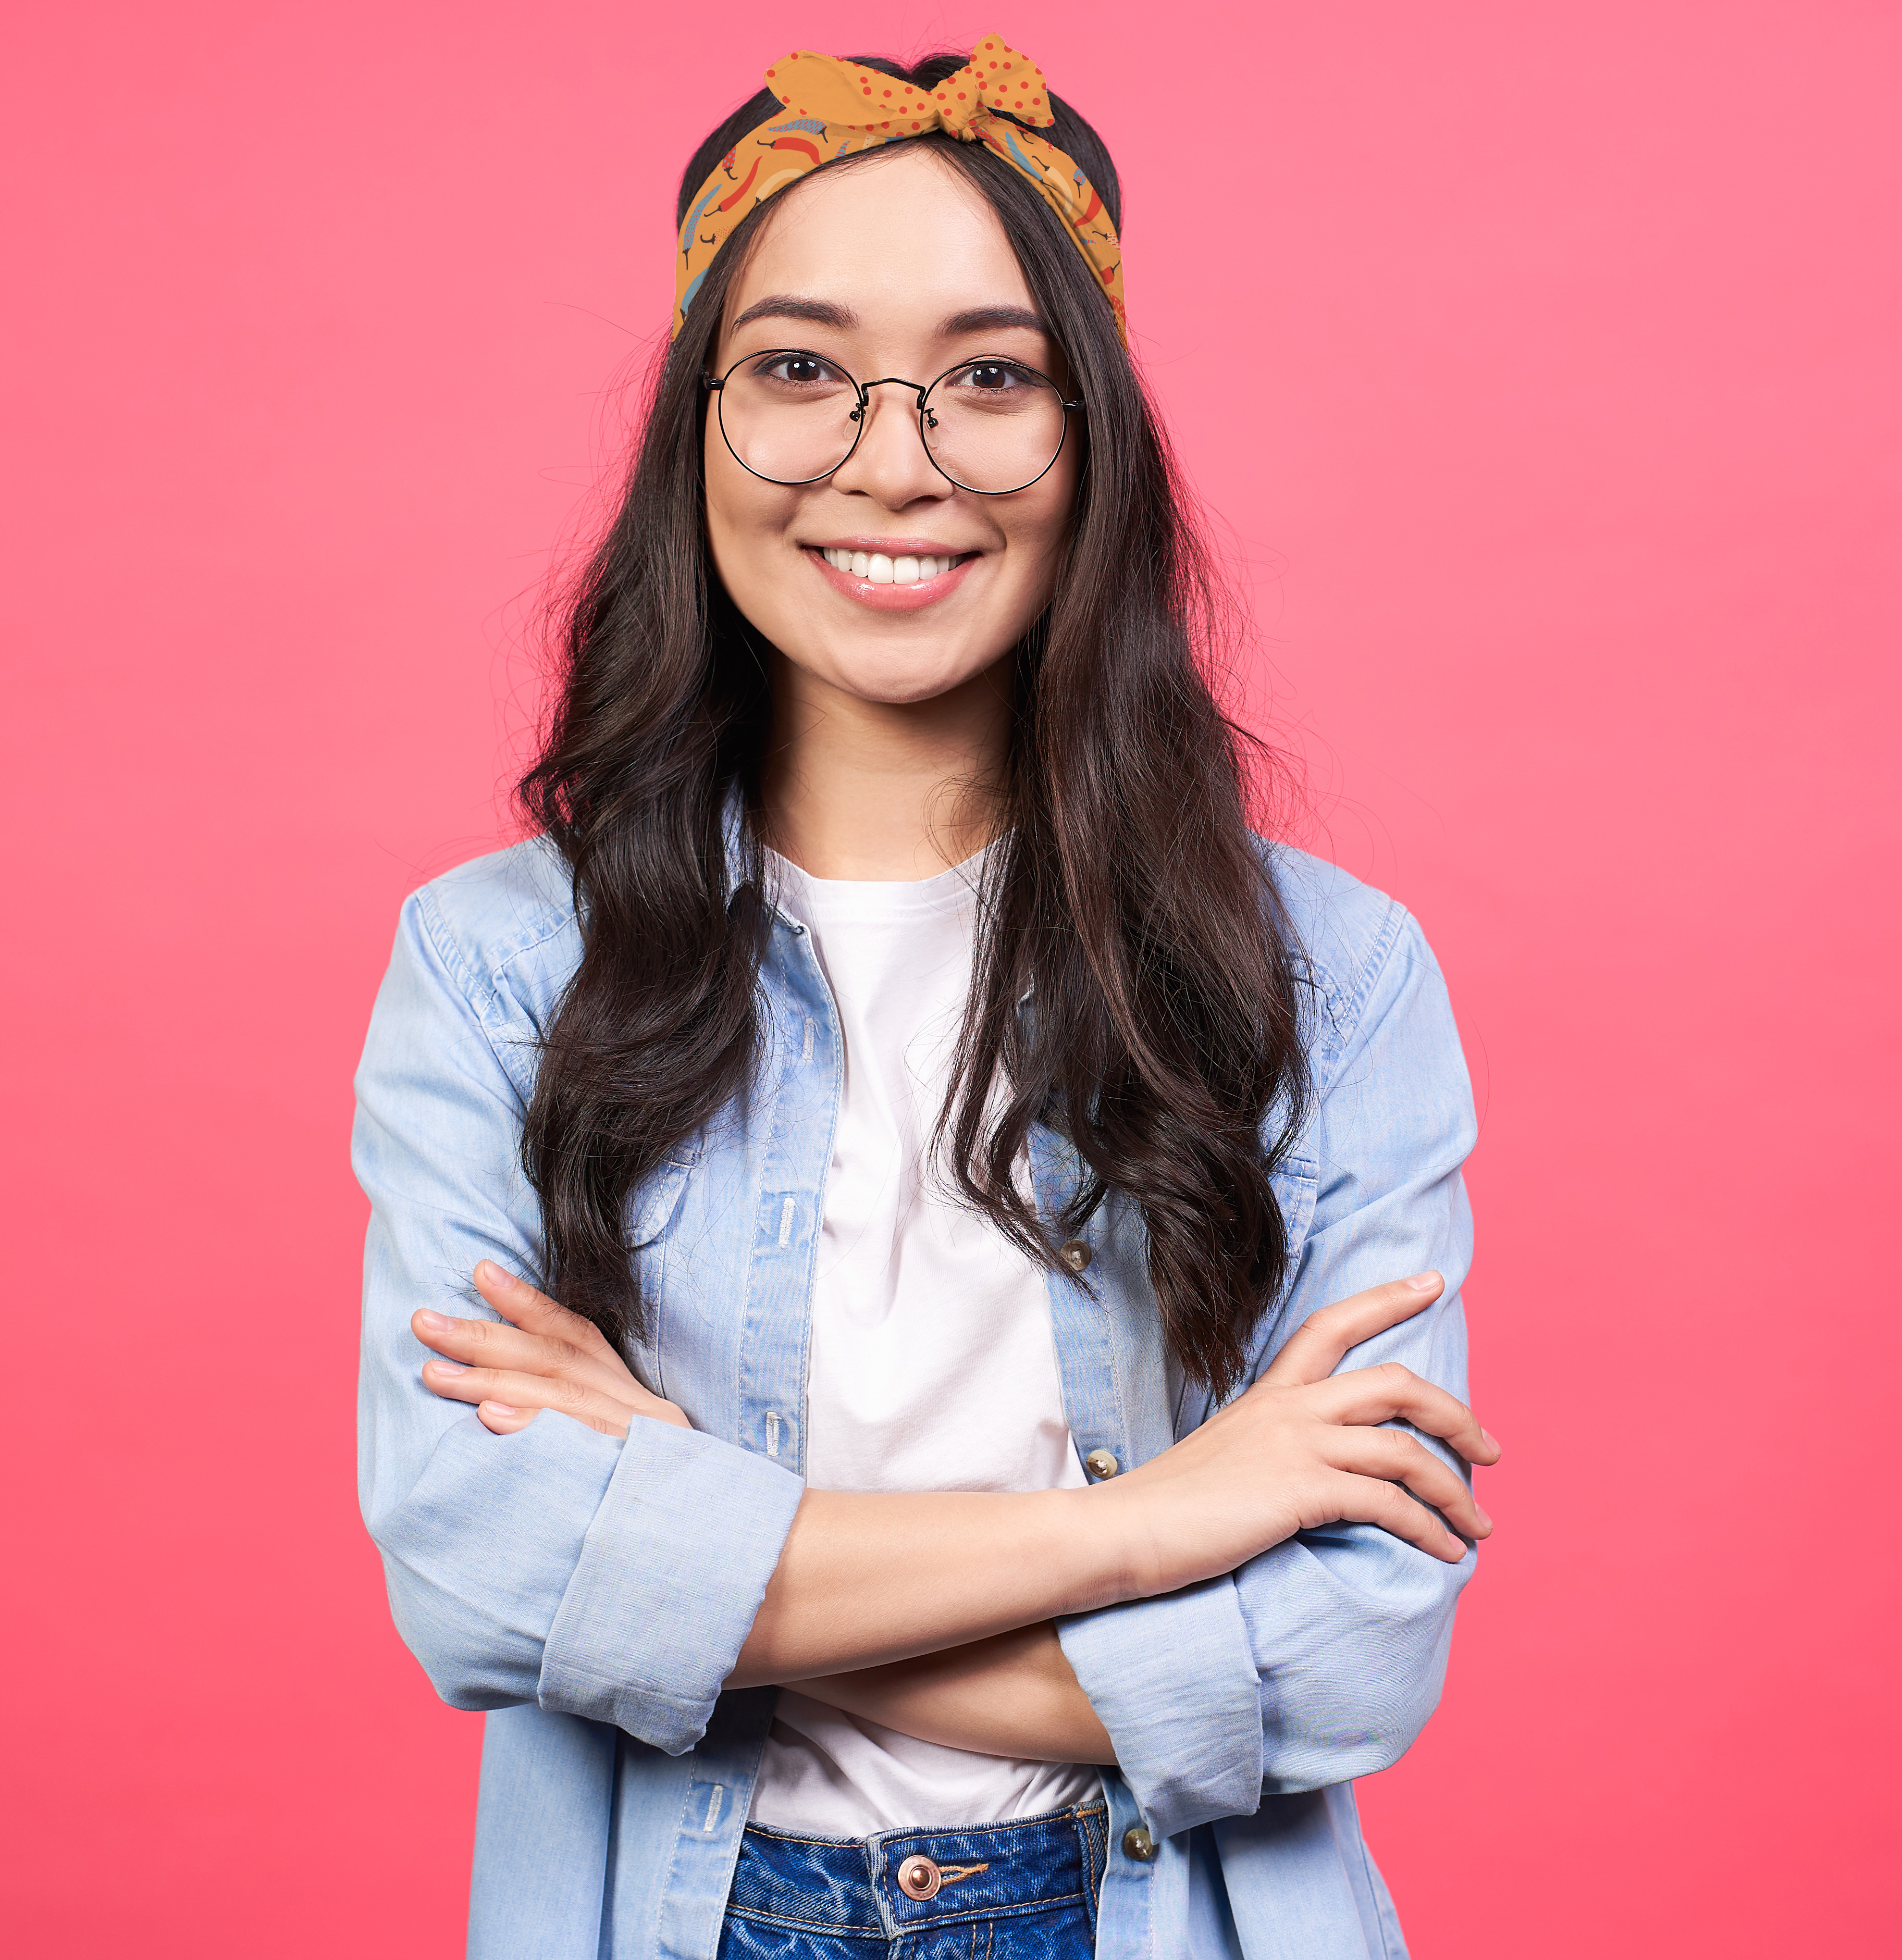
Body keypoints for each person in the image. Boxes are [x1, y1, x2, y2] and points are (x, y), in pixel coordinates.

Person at [351, 38, 1493, 1960]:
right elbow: (487, 1579)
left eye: (989, 377)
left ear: (1091, 440)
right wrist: (1165, 1523)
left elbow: (1347, 1657)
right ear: (696, 425)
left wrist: (683, 1549)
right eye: (799, 367)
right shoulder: (496, 967)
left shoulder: (1327, 975)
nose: (895, 459)